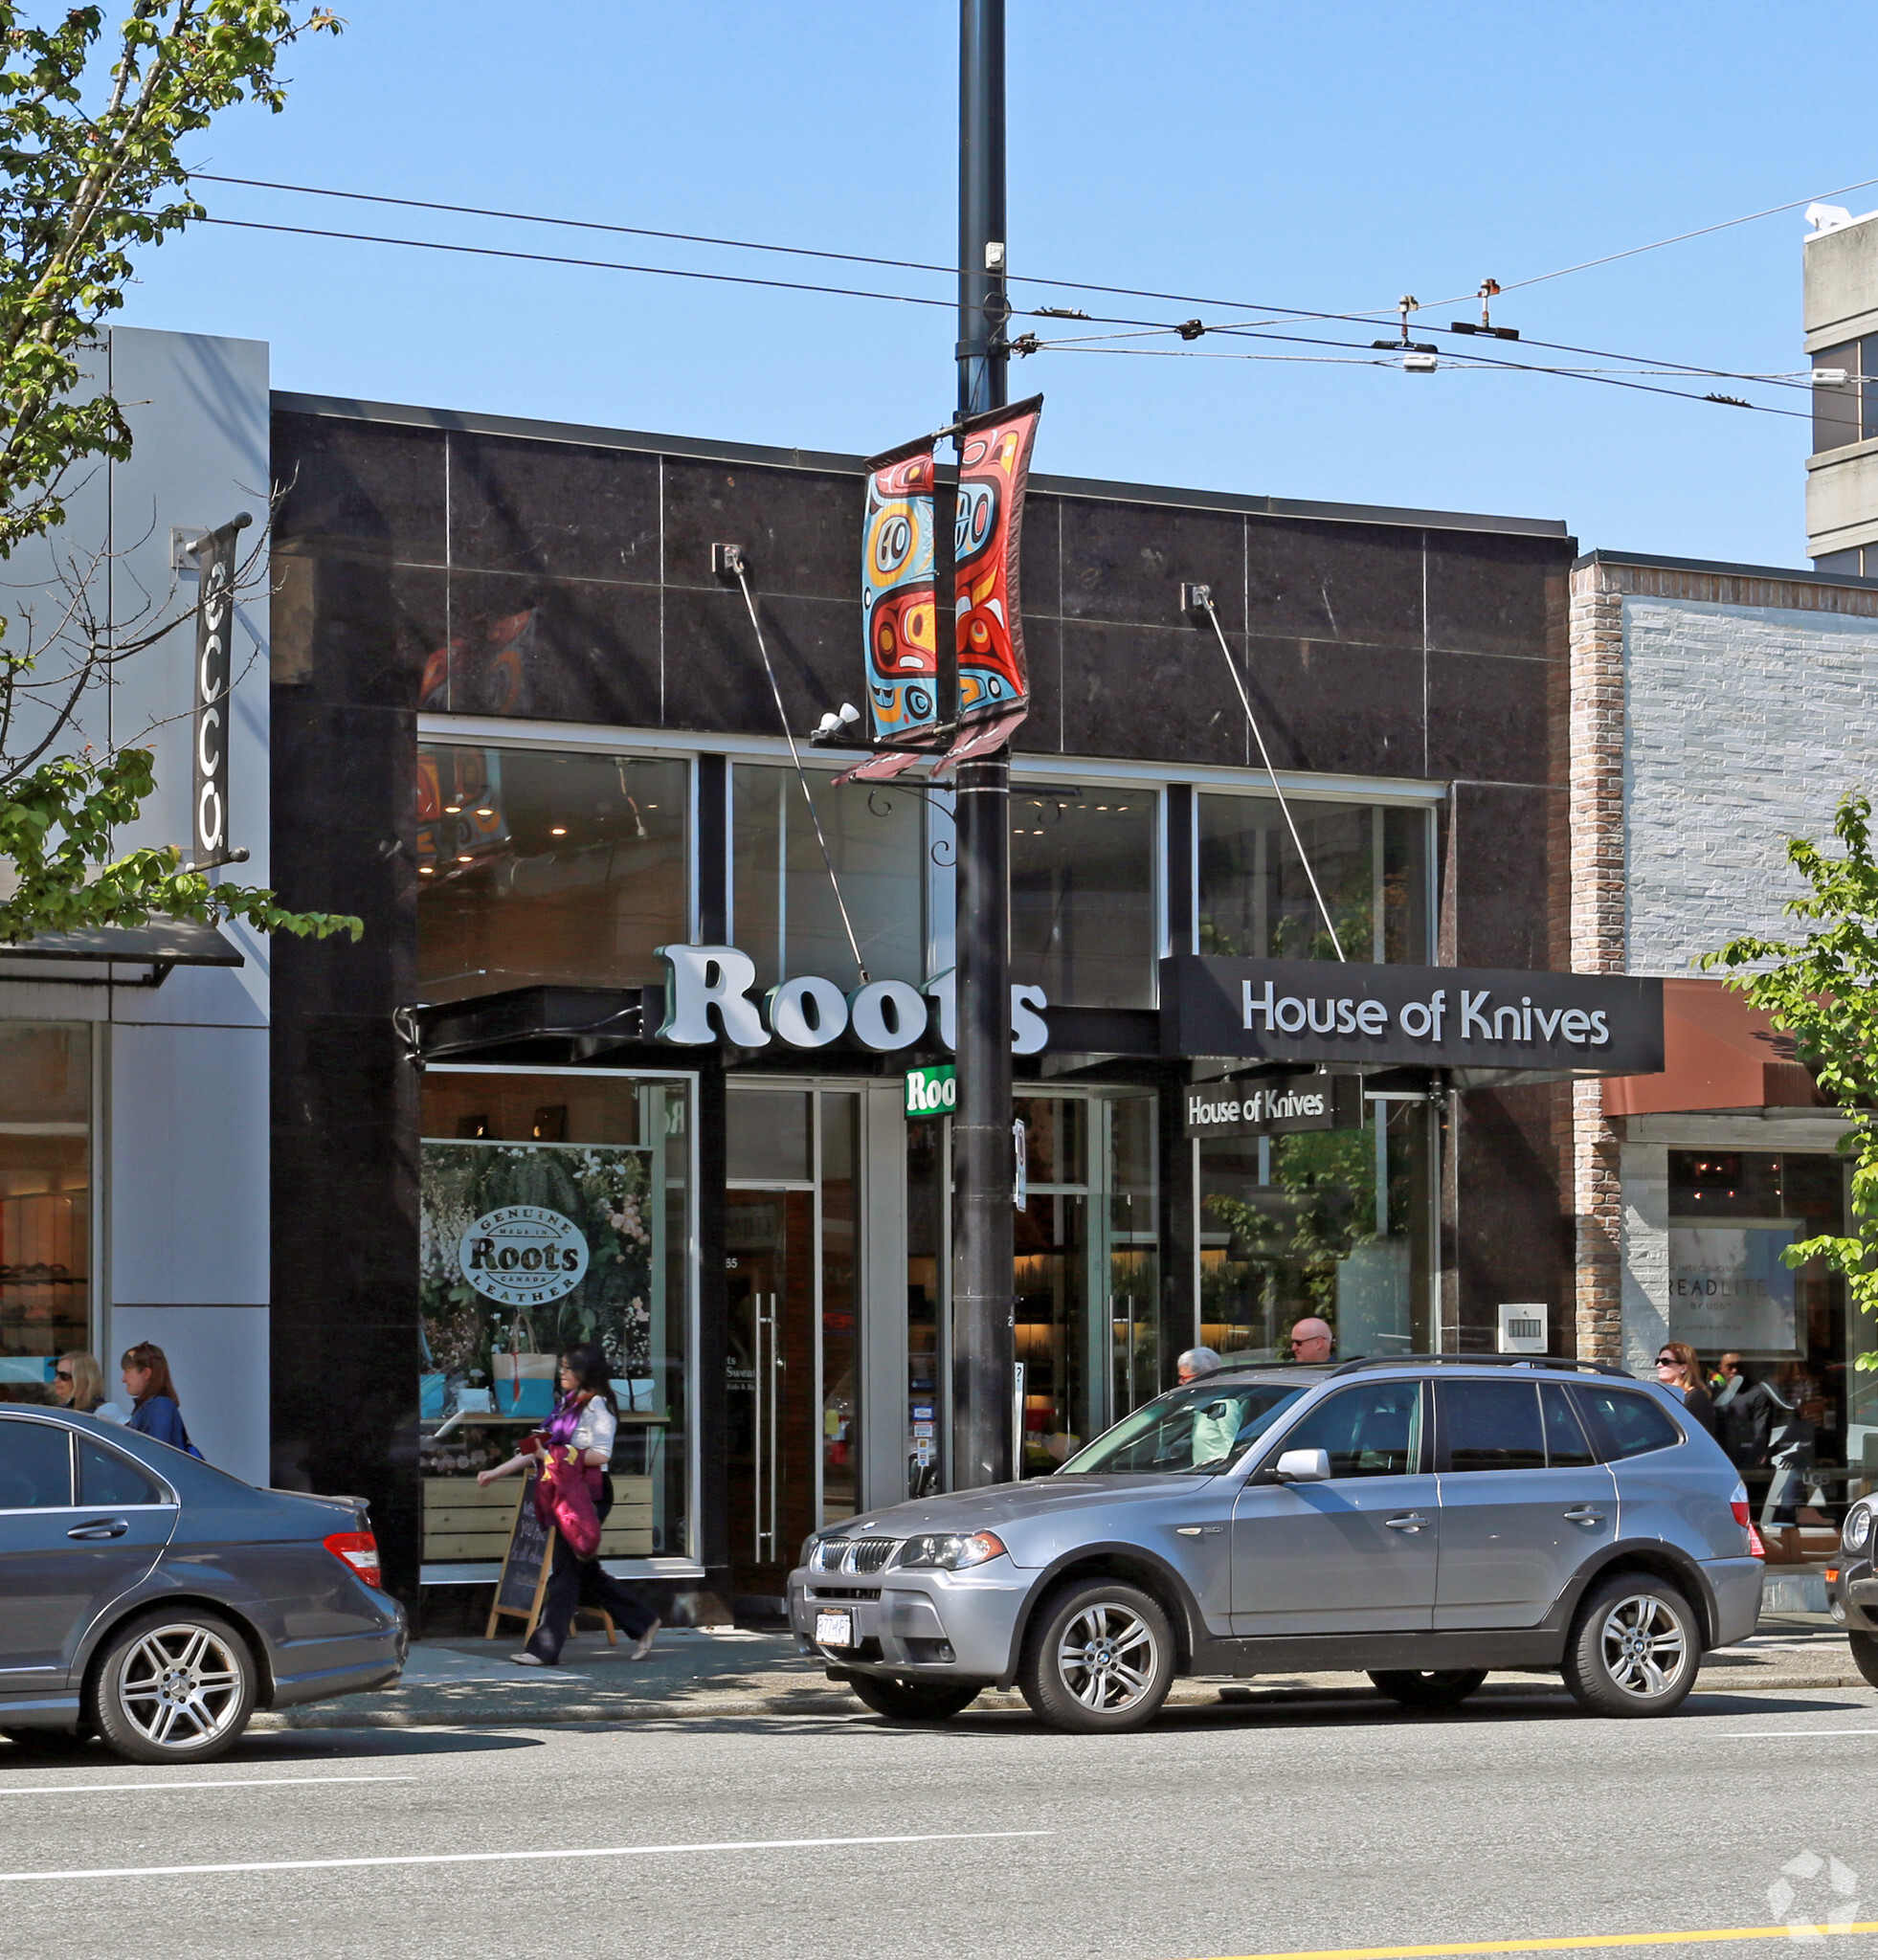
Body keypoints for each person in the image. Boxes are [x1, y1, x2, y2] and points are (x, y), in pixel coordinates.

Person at [479, 1343, 660, 1667]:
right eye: (561, 1366)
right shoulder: (566, 1404)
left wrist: (552, 1457)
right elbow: (535, 1448)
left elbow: (602, 1455)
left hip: (588, 1495)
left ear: (584, 1372)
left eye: (567, 1368)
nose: (561, 1372)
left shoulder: (597, 1406)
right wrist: (496, 1472)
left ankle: (544, 1649)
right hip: (565, 1491)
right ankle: (643, 1621)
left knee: (565, 1570)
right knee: (582, 1569)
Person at [120, 1341, 194, 1453]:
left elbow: (157, 1454)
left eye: (127, 1371)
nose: (123, 1379)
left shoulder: (160, 1407)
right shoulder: (153, 1406)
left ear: (146, 1373)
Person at [1655, 1343, 1716, 1436]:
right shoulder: (1663, 1395)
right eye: (1657, 1361)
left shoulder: (1696, 1398)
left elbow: (1703, 1435)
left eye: (1665, 1361)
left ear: (1683, 1368)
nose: (1659, 1365)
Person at [52, 1351, 111, 1415]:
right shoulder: (65, 1407)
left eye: (63, 1375)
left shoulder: (99, 1413)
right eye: (56, 1374)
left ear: (81, 1379)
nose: (55, 1380)